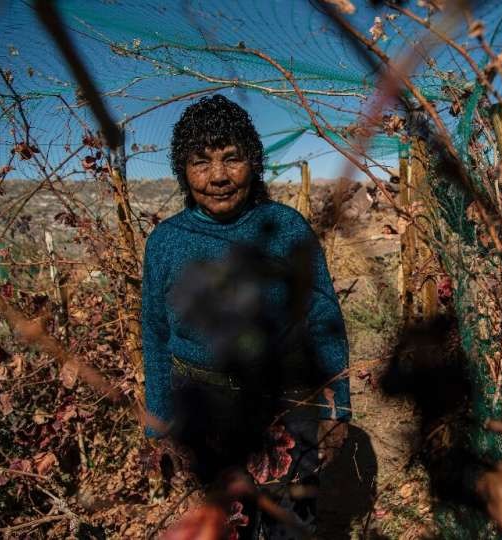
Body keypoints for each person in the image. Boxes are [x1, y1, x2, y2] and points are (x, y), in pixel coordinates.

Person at [141, 94, 350, 538]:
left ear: (253, 163)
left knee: (291, 524)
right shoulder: (165, 242)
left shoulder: (286, 228)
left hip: (286, 406)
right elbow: (156, 334)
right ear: (183, 170)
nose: (217, 176)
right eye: (201, 162)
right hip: (204, 413)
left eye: (231, 158)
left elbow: (322, 316)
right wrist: (158, 423)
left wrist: (338, 408)